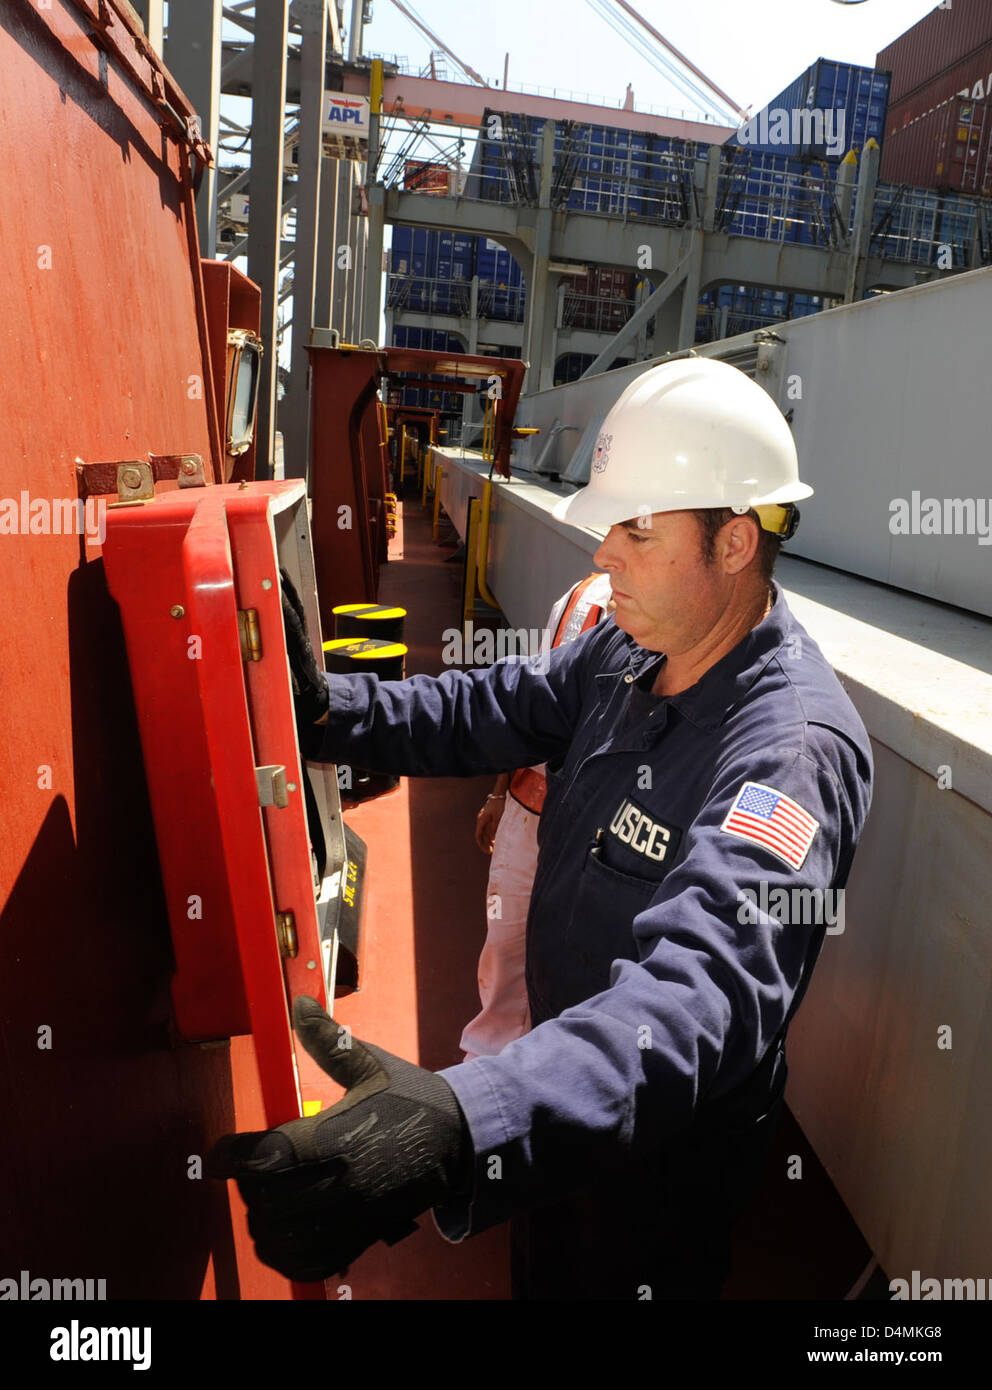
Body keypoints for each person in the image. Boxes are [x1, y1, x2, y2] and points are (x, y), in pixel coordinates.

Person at [211, 356, 873, 1300]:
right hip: (556, 1125)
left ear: (734, 543)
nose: (604, 553)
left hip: (656, 1177)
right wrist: (326, 710)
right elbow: (483, 706)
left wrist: (464, 1120)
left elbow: (700, 996)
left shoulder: (791, 752)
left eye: (638, 529)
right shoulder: (628, 649)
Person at [464, 572, 613, 1060]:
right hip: (527, 811)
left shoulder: (674, 615)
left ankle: (552, 1071)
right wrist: (498, 794)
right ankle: (486, 1063)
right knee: (504, 941)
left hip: (595, 829)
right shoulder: (578, 593)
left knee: (578, 958)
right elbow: (535, 704)